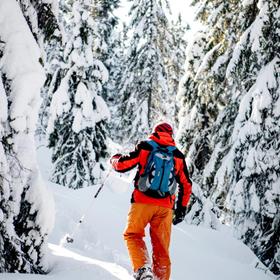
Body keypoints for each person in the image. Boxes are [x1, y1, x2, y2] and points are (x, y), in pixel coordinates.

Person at [110, 122, 192, 280]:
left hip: (142, 202)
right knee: (161, 249)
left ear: (155, 132)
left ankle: (143, 269)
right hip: (165, 208)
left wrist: (114, 160)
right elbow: (186, 184)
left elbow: (122, 165)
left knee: (133, 235)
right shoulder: (178, 156)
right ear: (171, 135)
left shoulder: (145, 146)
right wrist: (181, 209)